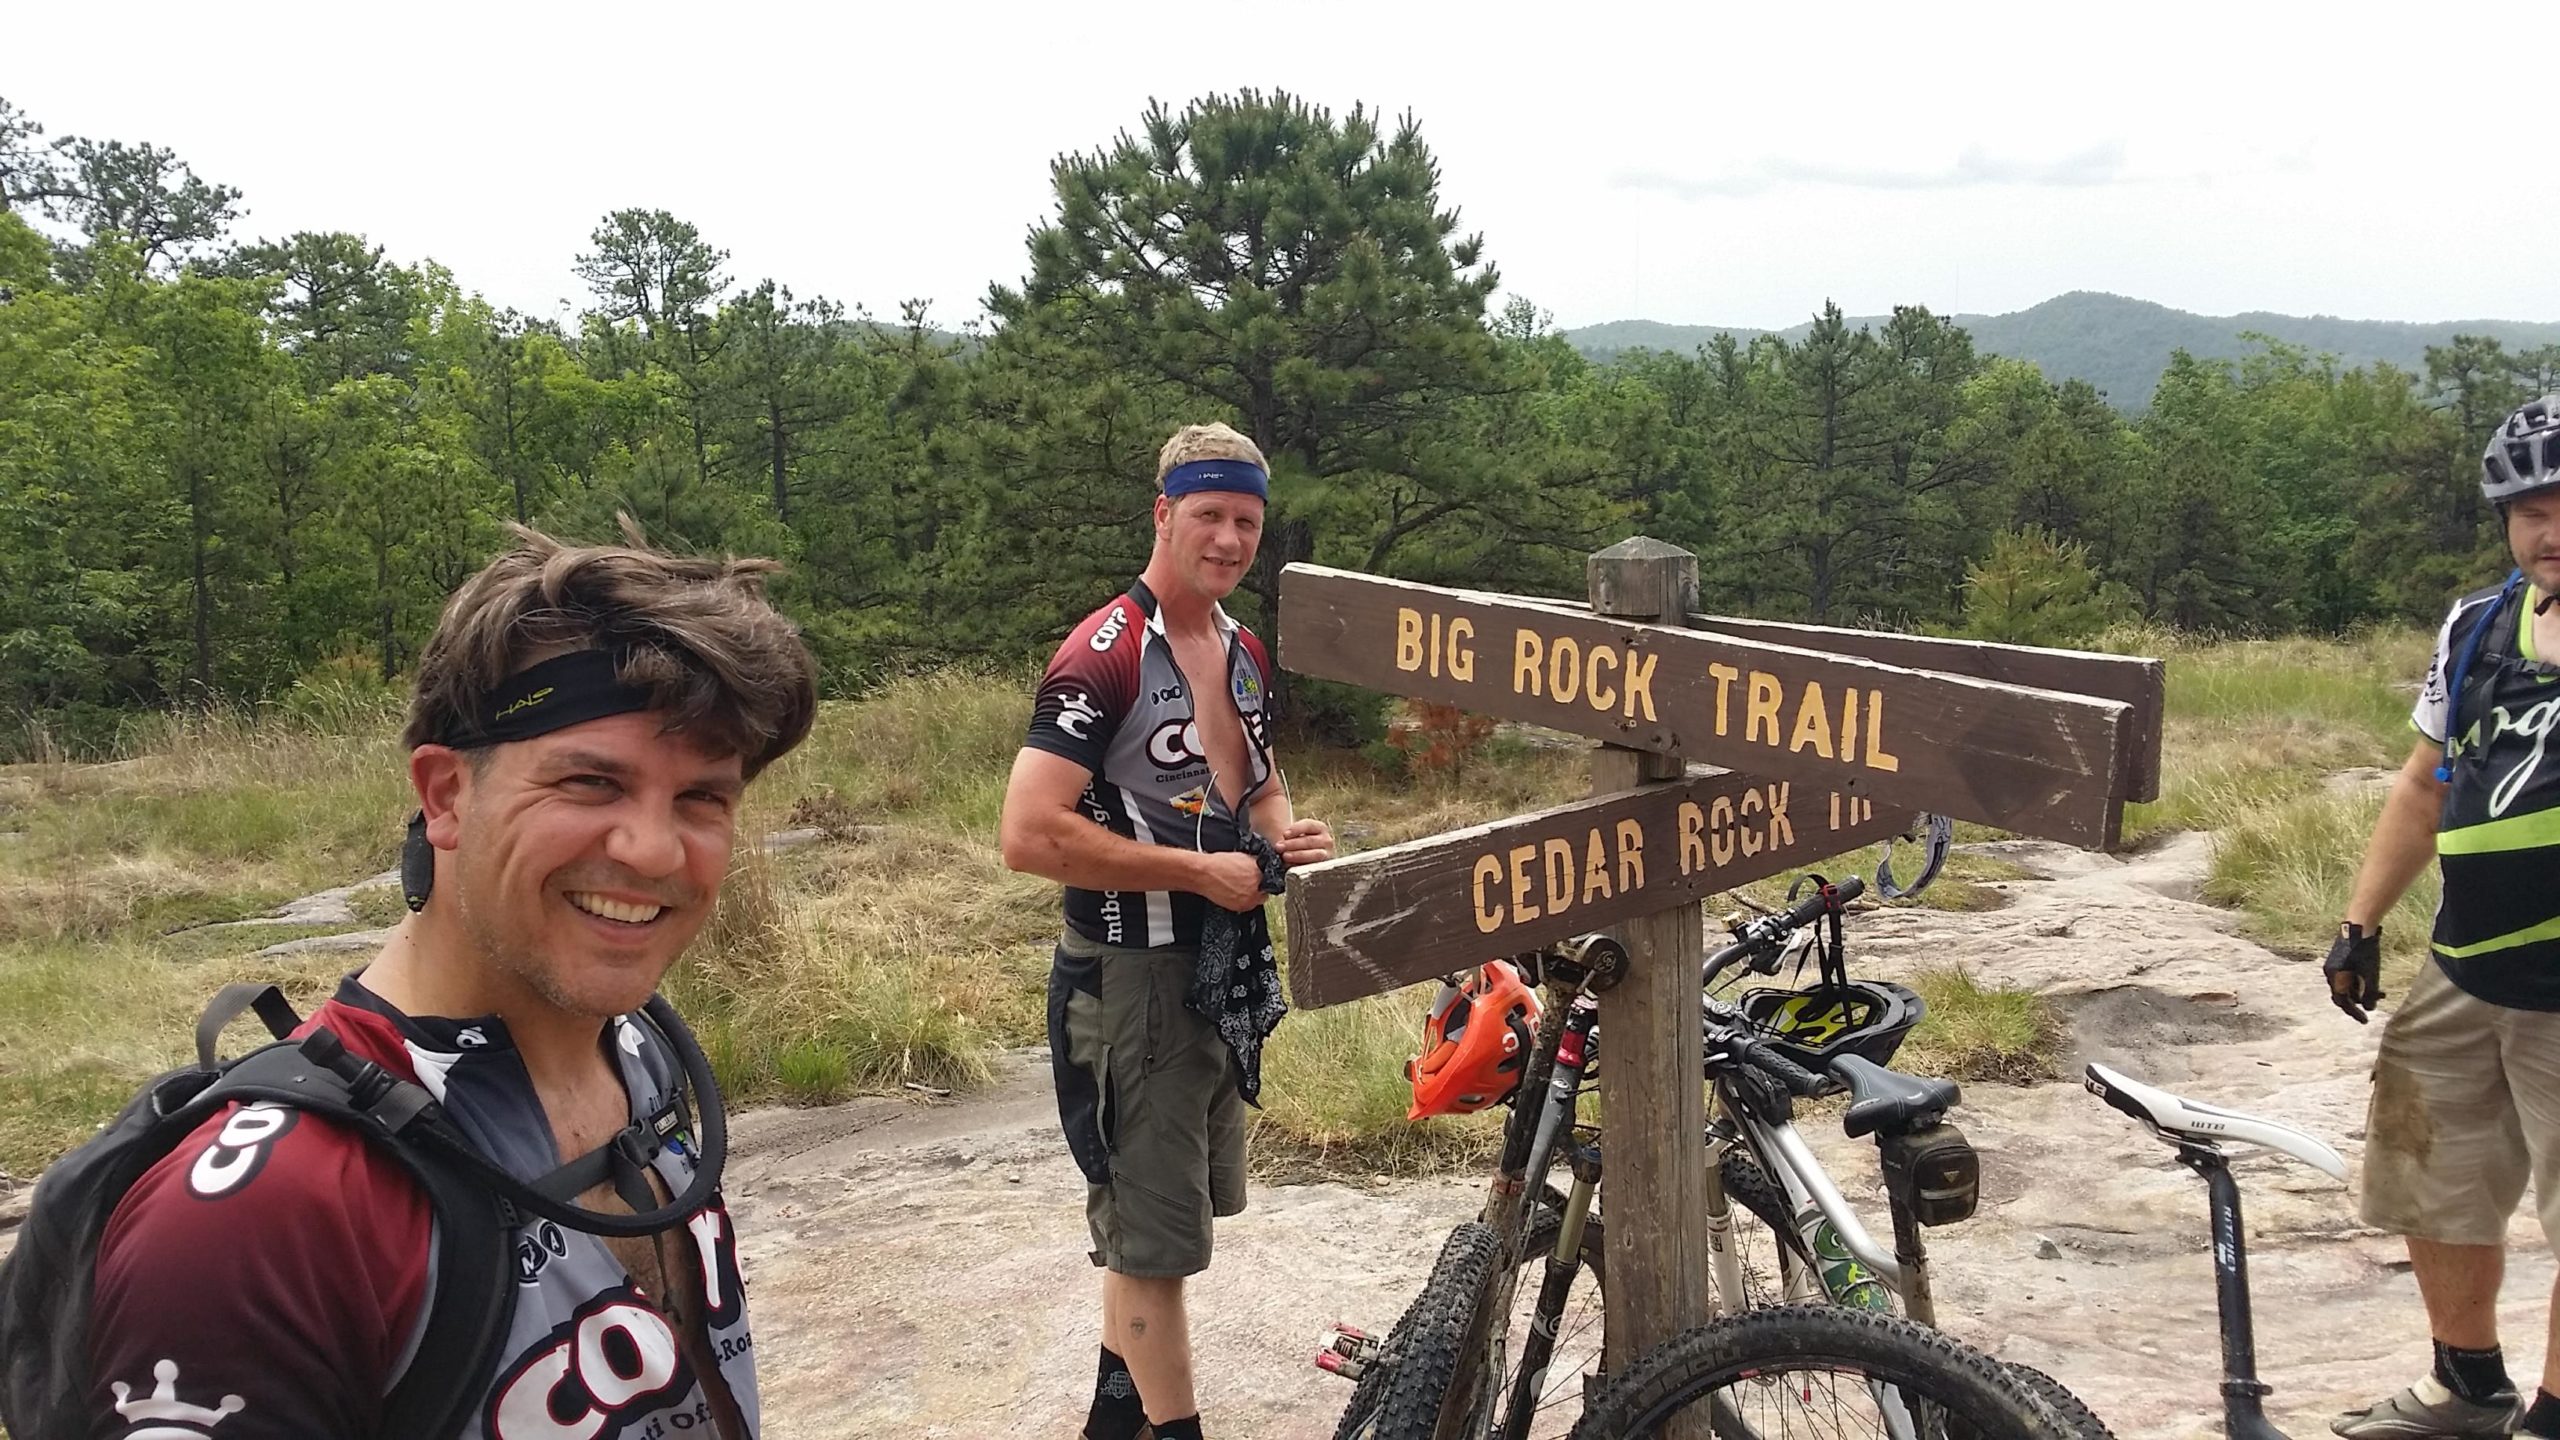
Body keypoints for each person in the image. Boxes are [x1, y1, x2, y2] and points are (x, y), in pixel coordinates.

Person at [83, 524, 815, 1439]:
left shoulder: (642, 1054)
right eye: (590, 781)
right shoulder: (270, 1219)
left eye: (703, 797)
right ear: (444, 797)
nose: (655, 850)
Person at [999, 423, 1336, 1440]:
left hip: (1216, 974)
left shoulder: (1240, 647)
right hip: (1130, 976)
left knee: (1163, 1228)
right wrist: (1200, 871)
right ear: (1162, 515)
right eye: (1209, 517)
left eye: (1246, 520)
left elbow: (1256, 778)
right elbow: (1026, 833)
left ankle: (1115, 1424)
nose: (1229, 539)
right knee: (1154, 1252)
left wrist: (1287, 834)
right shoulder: (1103, 655)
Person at [2328, 395, 2560, 1440]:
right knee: (2428, 1173)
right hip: (2464, 969)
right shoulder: (2476, 626)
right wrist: (2360, 921)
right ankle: (2464, 1383)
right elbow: (2425, 781)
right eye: (2531, 510)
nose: (2550, 530)